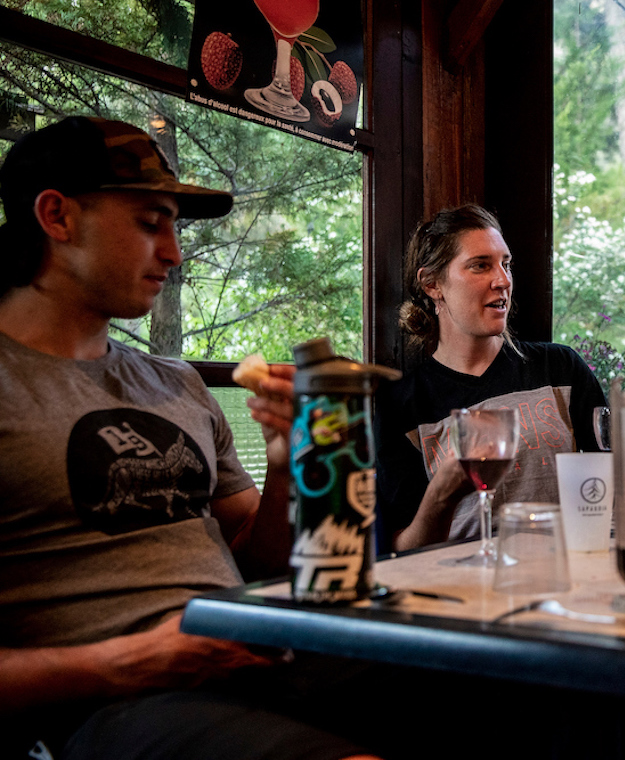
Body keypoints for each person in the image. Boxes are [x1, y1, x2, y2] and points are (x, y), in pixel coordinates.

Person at [0, 116, 379, 760]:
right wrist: (119, 665)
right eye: (151, 224)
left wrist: (289, 468)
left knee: (536, 697)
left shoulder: (177, 383)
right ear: (57, 217)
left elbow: (258, 564)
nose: (174, 253)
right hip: (114, 704)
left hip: (262, 656)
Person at [376, 204, 607, 551]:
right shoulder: (400, 404)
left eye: (506, 264)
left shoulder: (560, 368)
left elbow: (613, 482)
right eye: (480, 265)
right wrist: (441, 494)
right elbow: (402, 549)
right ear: (433, 284)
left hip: (563, 577)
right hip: (460, 591)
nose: (502, 280)